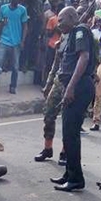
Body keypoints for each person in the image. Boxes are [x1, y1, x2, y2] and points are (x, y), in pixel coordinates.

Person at [50, 6, 95, 192]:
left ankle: (76, 179)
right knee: (68, 133)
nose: (59, 24)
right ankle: (69, 173)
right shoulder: (71, 35)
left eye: (61, 20)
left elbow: (84, 58)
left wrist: (70, 87)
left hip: (78, 87)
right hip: (76, 86)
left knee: (71, 134)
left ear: (71, 17)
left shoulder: (80, 31)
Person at [34, 32, 69, 165]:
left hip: (72, 83)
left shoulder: (82, 37)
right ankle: (47, 148)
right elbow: (56, 64)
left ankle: (65, 151)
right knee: (49, 114)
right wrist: (48, 84)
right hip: (59, 81)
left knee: (68, 119)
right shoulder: (63, 38)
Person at [0, 0, 28, 94]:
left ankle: (13, 86)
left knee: (15, 67)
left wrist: (22, 40)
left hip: (16, 42)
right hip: (4, 40)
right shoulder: (3, 8)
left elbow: (25, 26)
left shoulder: (22, 10)